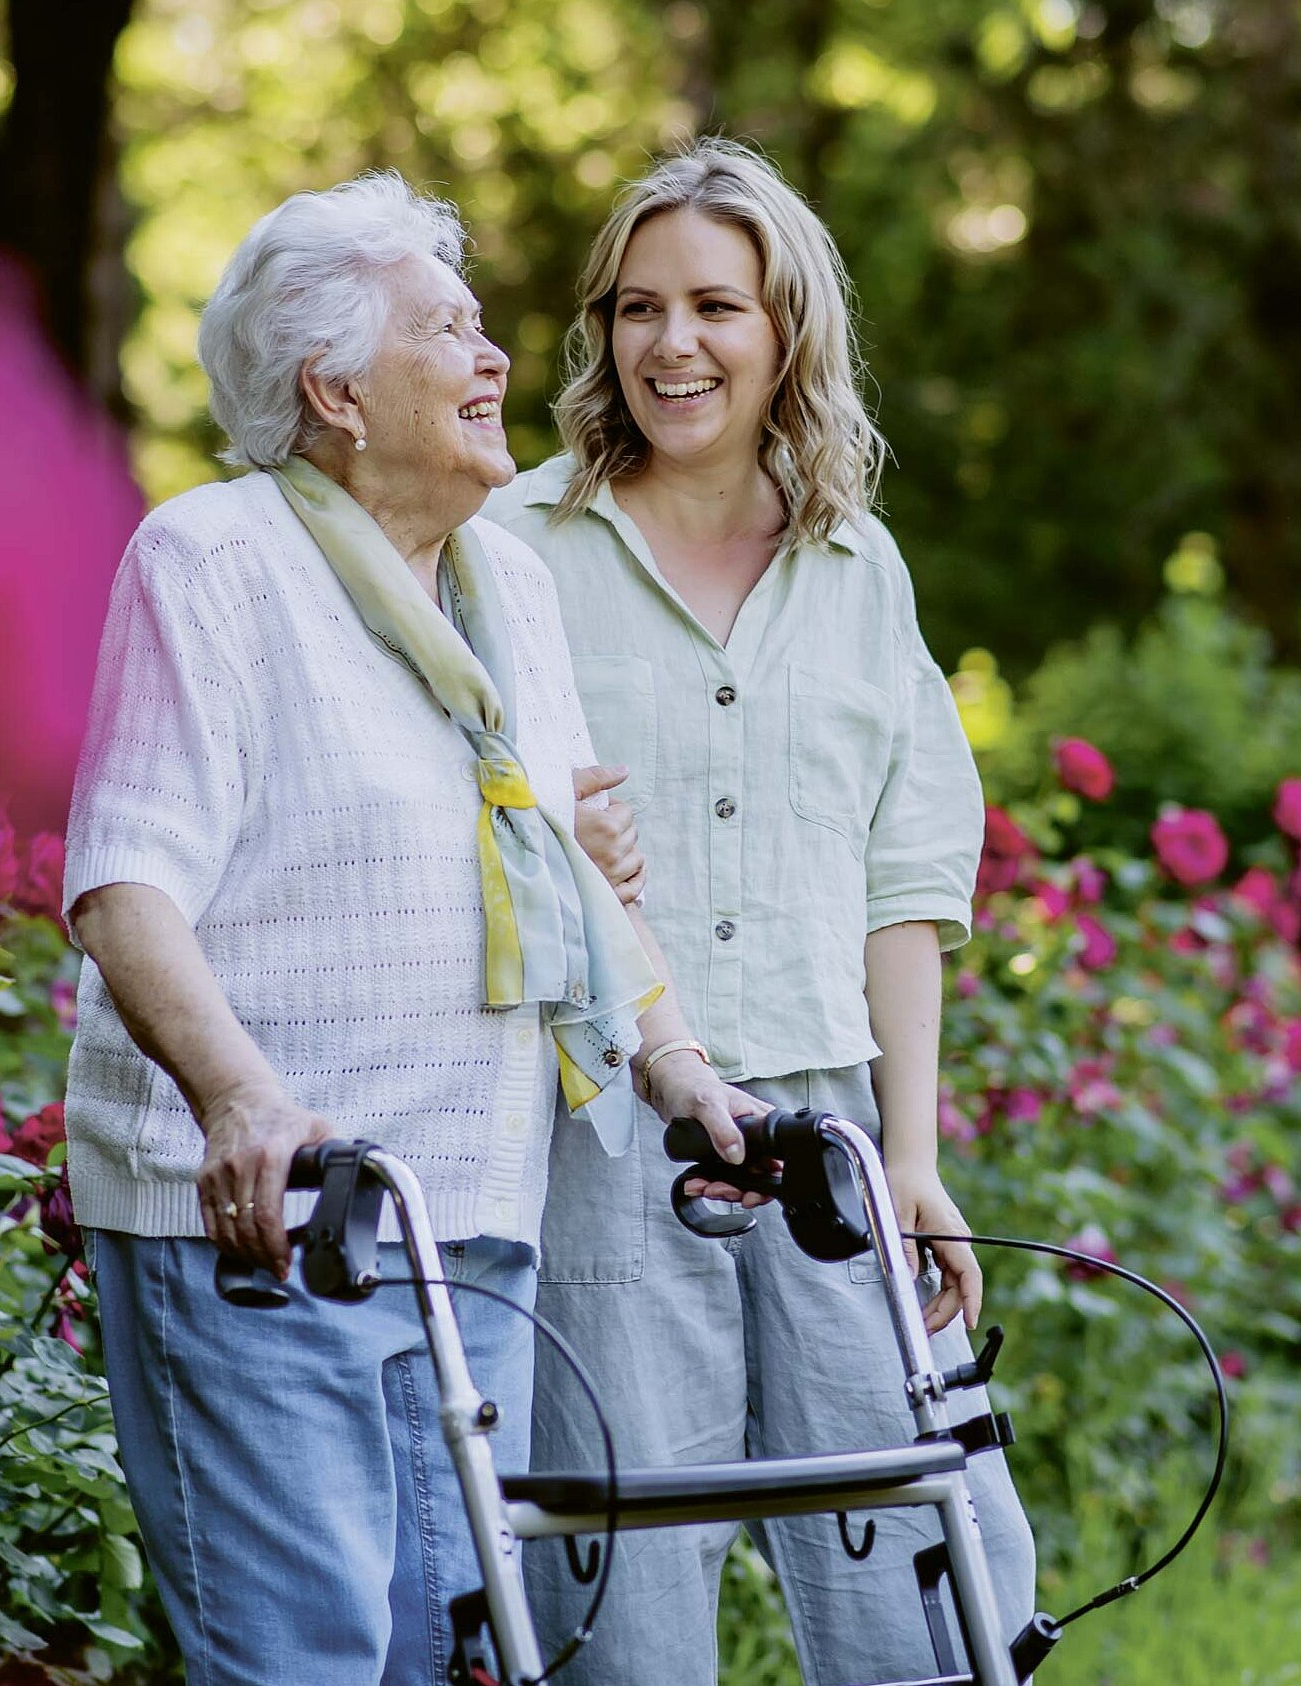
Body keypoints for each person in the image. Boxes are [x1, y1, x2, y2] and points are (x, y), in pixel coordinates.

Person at [61, 171, 758, 1686]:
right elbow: (126, 881)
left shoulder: (502, 578)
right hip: (272, 1224)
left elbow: (566, 874)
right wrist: (241, 1095)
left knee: (450, 1654)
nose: (497, 357)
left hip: (468, 1219)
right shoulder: (218, 562)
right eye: (448, 329)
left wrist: (679, 1064)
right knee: (304, 1656)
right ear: (334, 390)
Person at [486, 139, 1038, 1685]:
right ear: (599, 331)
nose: (673, 345)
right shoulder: (513, 553)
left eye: (716, 305)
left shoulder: (860, 570)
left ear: (786, 328)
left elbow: (906, 884)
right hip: (603, 1130)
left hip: (824, 1132)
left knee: (925, 1579)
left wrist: (911, 1155)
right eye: (638, 307)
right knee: (623, 1585)